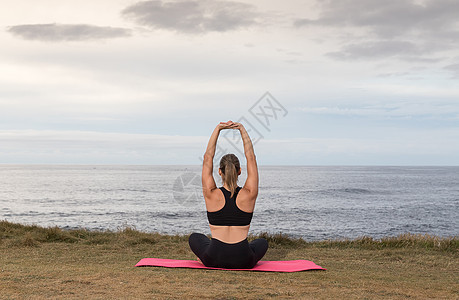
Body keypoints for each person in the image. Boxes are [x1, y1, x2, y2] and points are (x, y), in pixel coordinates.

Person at [188, 120, 268, 269]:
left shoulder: (211, 194)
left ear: (220, 171)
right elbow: (251, 158)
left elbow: (207, 158)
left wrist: (218, 128)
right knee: (262, 242)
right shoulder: (249, 193)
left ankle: (205, 256)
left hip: (213, 257)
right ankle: (242, 252)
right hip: (244, 260)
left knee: (195, 237)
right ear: (239, 171)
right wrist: (242, 129)